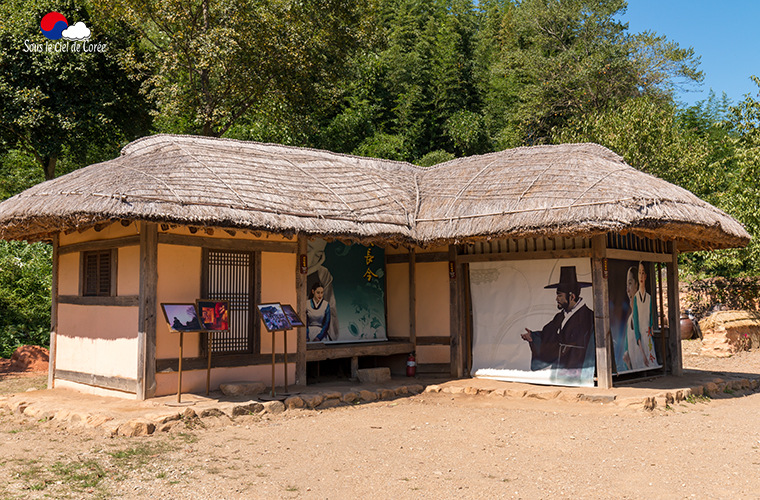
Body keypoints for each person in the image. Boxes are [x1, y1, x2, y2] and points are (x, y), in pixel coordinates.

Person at [520, 266, 594, 371]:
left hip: (578, 369)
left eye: (559, 296)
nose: (556, 299)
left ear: (572, 297)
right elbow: (547, 335)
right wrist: (533, 337)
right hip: (559, 369)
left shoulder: (589, 317)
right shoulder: (560, 317)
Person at [622, 266, 647, 371]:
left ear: (637, 285)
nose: (628, 290)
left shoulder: (640, 313)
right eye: (627, 285)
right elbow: (627, 352)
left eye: (630, 284)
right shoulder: (630, 319)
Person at [635, 261, 658, 367]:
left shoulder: (649, 298)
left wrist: (652, 326)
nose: (641, 275)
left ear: (646, 276)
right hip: (640, 339)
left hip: (648, 335)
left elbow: (652, 317)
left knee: (652, 361)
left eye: (643, 272)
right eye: (639, 272)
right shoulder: (636, 298)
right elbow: (636, 323)